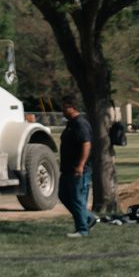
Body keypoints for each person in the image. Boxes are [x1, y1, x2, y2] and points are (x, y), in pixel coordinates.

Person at [60, 100, 94, 236]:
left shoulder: (80, 123)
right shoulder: (71, 123)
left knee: (77, 199)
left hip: (78, 169)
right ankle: (88, 218)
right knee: (63, 195)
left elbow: (86, 144)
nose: (62, 111)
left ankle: (82, 229)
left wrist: (81, 165)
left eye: (64, 108)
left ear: (72, 107)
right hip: (67, 168)